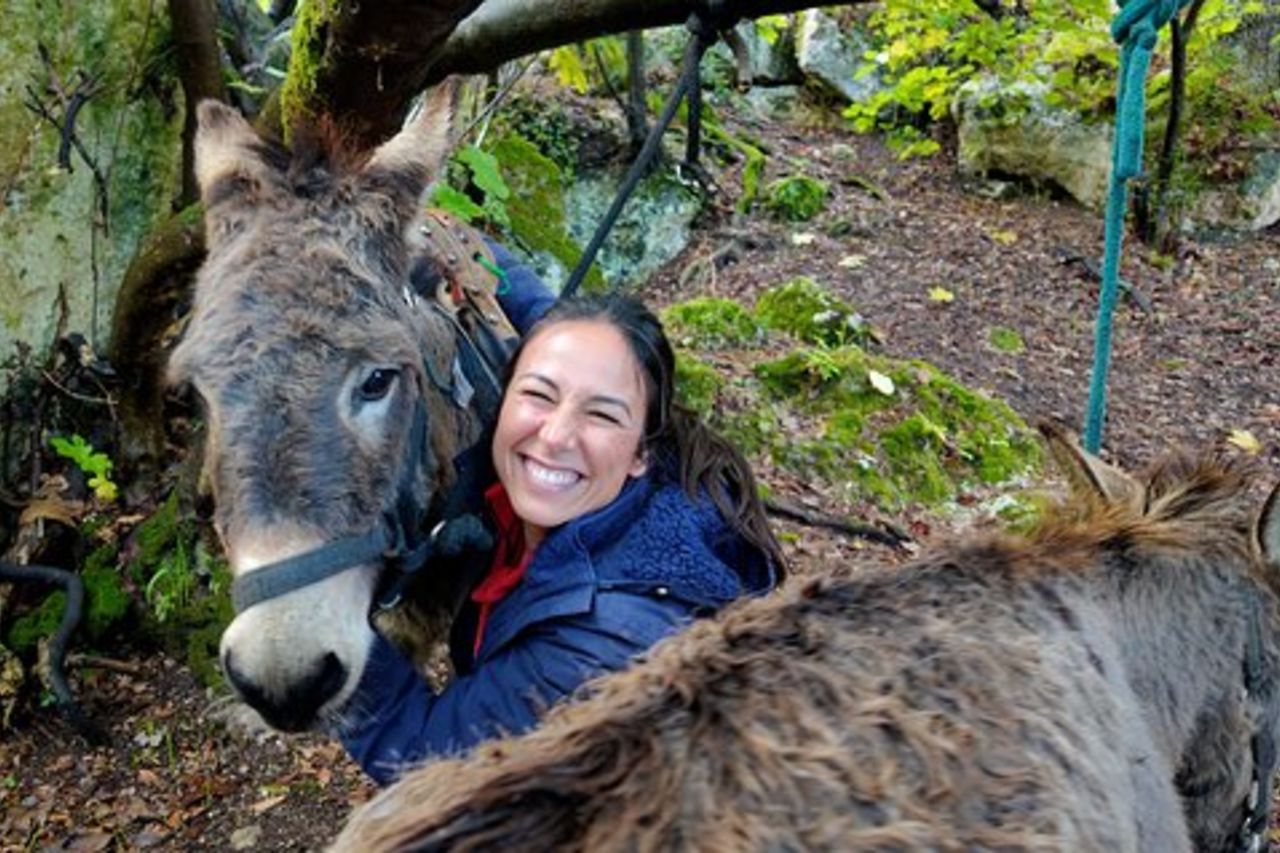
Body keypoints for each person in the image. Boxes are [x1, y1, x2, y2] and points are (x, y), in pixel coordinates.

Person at [337, 253, 785, 785]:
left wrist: (323, 616)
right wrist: (475, 249)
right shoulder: (634, 485)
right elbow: (555, 323)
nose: (554, 436)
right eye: (538, 394)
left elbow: (422, 756)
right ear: (508, 394)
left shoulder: (601, 643)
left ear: (642, 448)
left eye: (600, 414)